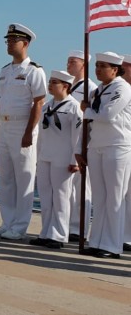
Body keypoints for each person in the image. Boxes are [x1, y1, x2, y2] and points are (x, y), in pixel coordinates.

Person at [0, 24, 46, 240]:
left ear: (25, 43)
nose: (9, 44)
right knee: (6, 178)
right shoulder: (5, 70)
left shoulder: (34, 70)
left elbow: (39, 102)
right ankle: (7, 222)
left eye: (14, 40)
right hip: (4, 126)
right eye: (8, 40)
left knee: (23, 179)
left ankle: (19, 226)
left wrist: (29, 132)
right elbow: (0, 101)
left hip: (22, 127)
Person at [77, 52, 131, 259]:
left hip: (117, 146)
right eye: (97, 65)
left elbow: (108, 115)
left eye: (103, 66)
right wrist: (80, 149)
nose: (98, 69)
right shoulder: (98, 90)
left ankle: (112, 245)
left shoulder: (122, 88)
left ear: (115, 70)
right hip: (97, 145)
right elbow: (89, 123)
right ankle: (97, 241)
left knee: (115, 198)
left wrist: (86, 110)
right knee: (100, 198)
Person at [30, 70, 82, 249]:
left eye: (54, 82)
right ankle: (45, 232)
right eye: (50, 82)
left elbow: (78, 136)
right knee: (46, 197)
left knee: (61, 197)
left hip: (63, 157)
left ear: (65, 86)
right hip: (46, 156)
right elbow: (41, 136)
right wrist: (38, 157)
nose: (50, 85)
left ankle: (59, 235)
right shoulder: (46, 106)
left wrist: (75, 160)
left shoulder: (74, 107)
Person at [66, 50, 97, 242]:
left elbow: (90, 121)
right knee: (68, 190)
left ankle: (79, 229)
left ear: (84, 64)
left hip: (81, 143)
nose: (68, 64)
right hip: (65, 143)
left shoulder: (90, 89)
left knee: (81, 189)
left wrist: (83, 148)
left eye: (73, 61)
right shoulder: (68, 86)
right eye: (68, 61)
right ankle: (68, 225)